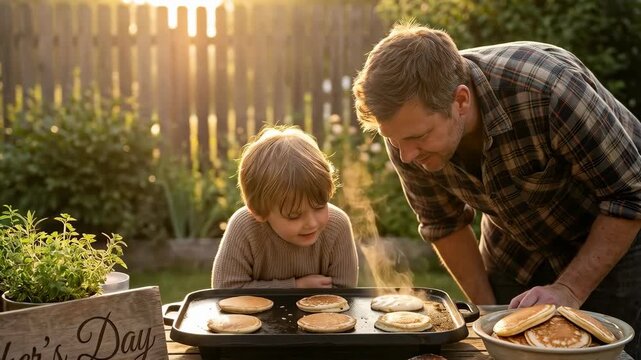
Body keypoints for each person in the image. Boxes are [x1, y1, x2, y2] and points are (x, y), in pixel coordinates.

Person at [353, 22, 641, 357]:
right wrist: (487, 318)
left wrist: (568, 289)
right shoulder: (407, 133)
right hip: (512, 247)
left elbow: (629, 194)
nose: (406, 156)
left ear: (460, 100)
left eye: (417, 138)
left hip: (614, 234)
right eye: (393, 140)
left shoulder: (550, 89)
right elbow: (444, 224)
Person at [211, 125, 359, 289]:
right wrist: (294, 287)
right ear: (258, 211)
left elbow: (346, 293)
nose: (311, 223)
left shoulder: (338, 226)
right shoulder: (244, 227)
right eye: (294, 215)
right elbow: (225, 290)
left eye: (319, 206)